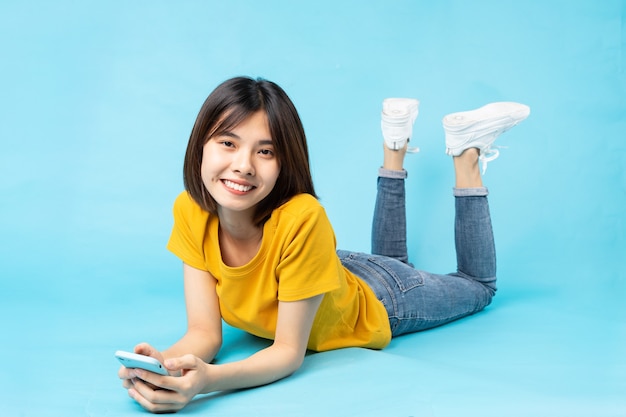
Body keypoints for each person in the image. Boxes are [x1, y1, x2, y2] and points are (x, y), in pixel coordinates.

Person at [118, 76, 530, 413]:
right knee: (390, 258)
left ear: (286, 163)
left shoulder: (303, 218)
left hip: (381, 298)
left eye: (265, 151)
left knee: (478, 286)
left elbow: (286, 353)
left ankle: (466, 153)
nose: (243, 165)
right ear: (201, 146)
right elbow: (205, 333)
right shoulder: (190, 209)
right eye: (228, 143)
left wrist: (207, 382)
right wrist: (164, 366)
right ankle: (394, 144)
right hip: (324, 270)